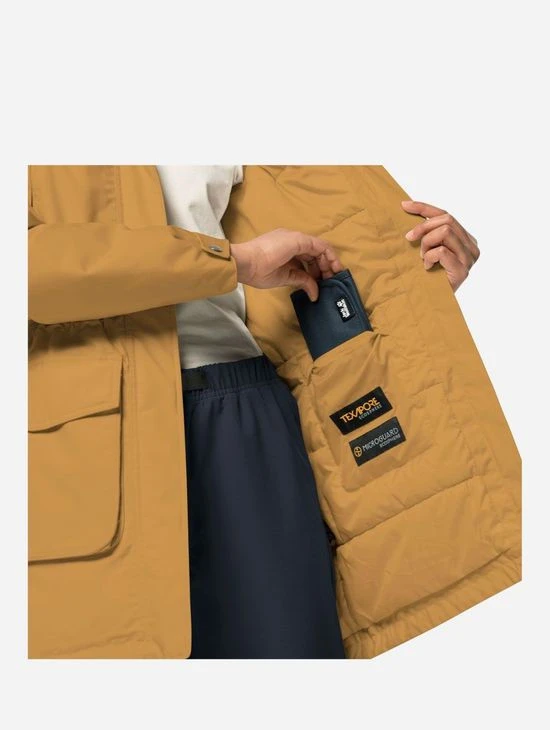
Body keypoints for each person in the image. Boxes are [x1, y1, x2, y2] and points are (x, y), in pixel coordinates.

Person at [155, 166, 480, 658]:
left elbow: (308, 260)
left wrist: (414, 294)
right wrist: (239, 261)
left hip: (233, 405)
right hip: (70, 415)